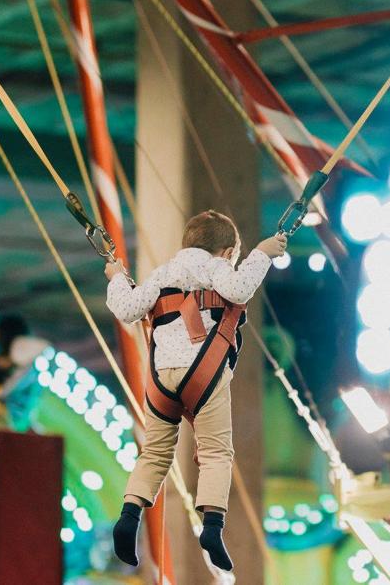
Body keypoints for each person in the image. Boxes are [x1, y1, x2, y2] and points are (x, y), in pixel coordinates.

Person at [105, 210, 287, 571]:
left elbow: (125, 308)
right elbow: (240, 289)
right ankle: (212, 527)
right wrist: (263, 252)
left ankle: (129, 516)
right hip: (202, 372)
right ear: (227, 251)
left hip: (162, 378)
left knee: (155, 453)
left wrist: (115, 277)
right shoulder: (214, 267)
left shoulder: (161, 274)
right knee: (216, 453)